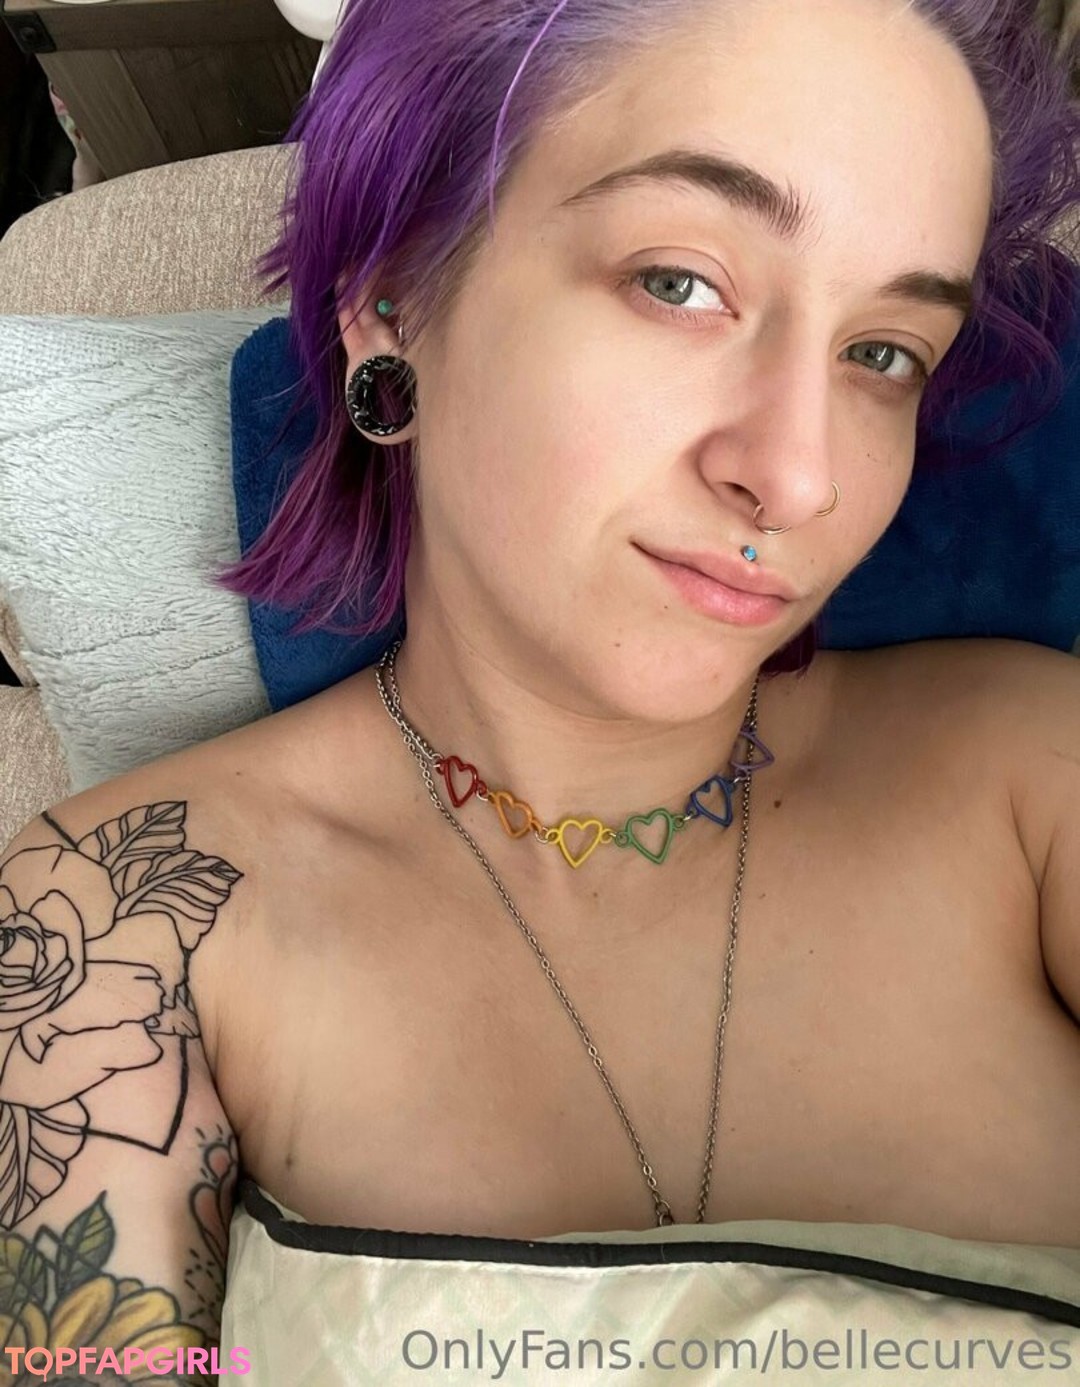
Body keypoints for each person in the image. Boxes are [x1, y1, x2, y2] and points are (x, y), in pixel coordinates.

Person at [2, 0, 1078, 1381]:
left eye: (884, 354)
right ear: (392, 299)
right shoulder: (122, 916)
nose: (800, 478)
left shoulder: (1033, 781)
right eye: (680, 282)